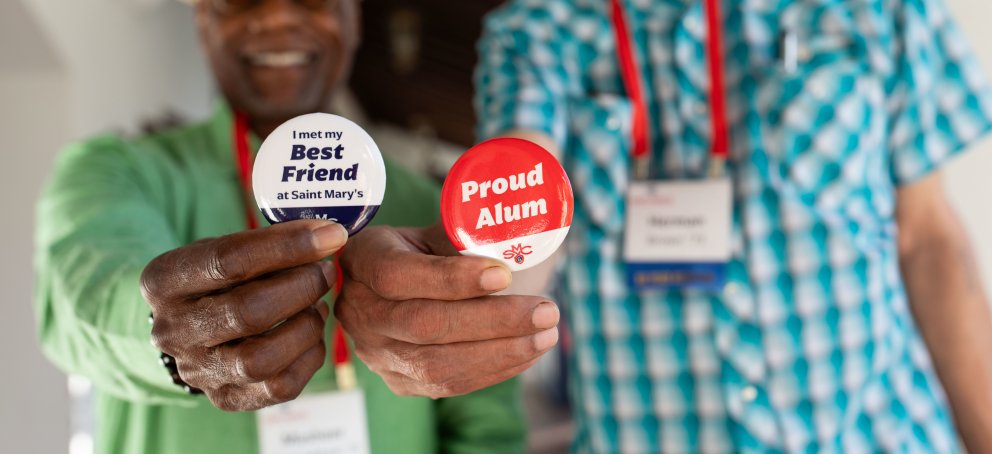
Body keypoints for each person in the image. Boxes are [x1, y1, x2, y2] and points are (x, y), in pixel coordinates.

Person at [334, 0, 992, 452]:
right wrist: (465, 283)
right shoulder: (535, 33)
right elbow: (521, 227)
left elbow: (928, 237)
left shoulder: (878, 9)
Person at [34, 1, 547, 453]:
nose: (277, 15)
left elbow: (486, 428)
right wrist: (167, 333)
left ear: (354, 16)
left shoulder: (429, 202)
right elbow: (84, 296)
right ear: (201, 16)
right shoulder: (114, 171)